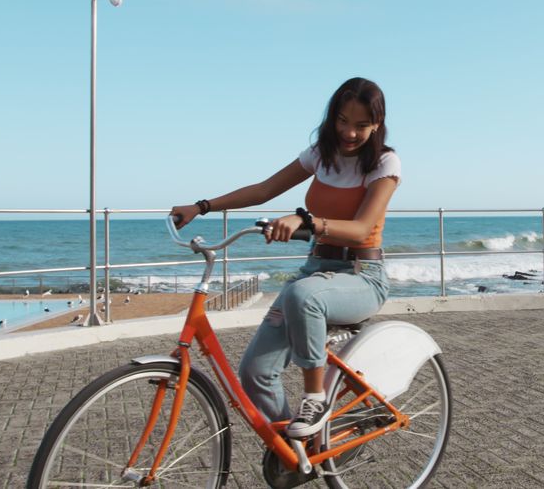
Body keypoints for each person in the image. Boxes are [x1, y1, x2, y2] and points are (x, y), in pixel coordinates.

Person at [171, 77, 400, 439]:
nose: (350, 133)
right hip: (316, 270)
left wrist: (305, 220)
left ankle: (315, 398)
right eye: (342, 121)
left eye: (361, 125)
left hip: (361, 276)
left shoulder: (384, 163)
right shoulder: (320, 156)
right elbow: (263, 190)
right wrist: (201, 206)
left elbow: (360, 229)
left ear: (377, 123)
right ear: (332, 118)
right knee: (255, 373)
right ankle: (295, 452)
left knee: (301, 295)